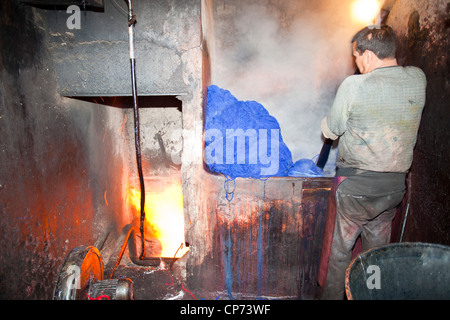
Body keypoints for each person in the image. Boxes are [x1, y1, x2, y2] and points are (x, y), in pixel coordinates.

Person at [317, 25, 427, 300]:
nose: (355, 63)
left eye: (356, 57)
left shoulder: (355, 85)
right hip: (392, 190)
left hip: (356, 188)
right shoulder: (417, 78)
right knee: (375, 254)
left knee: (340, 252)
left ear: (367, 56)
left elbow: (331, 130)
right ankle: (371, 295)